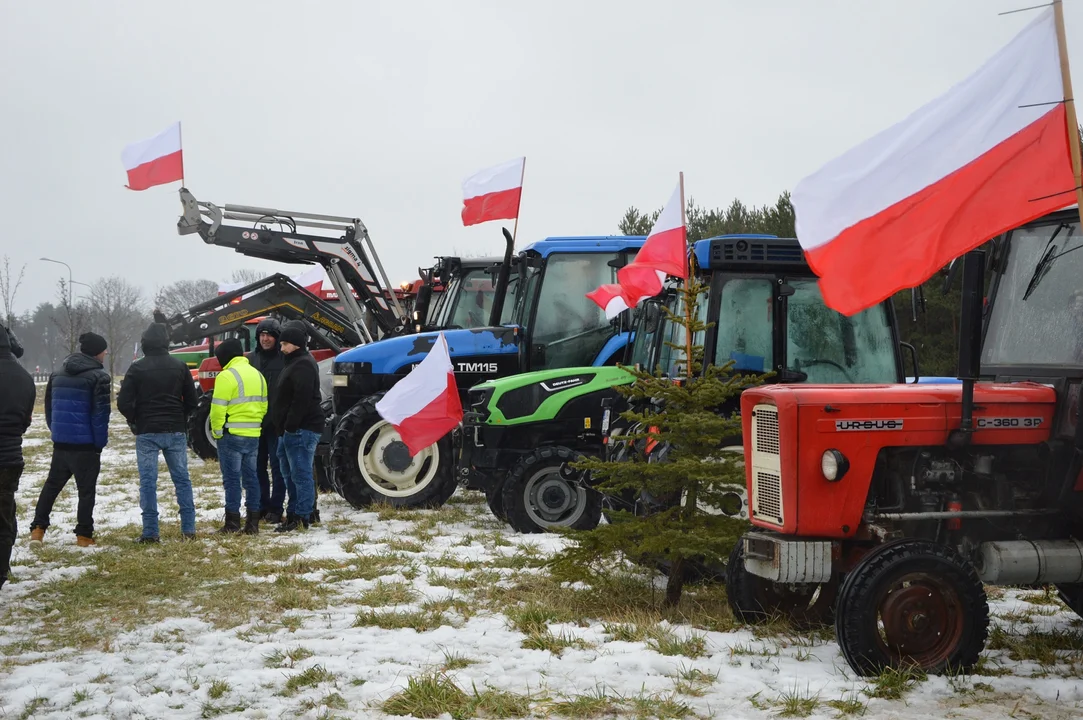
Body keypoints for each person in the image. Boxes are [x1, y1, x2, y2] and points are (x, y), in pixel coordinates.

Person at [117, 322, 200, 542]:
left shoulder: (137, 367)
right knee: (182, 479)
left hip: (147, 430)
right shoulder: (180, 366)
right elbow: (192, 401)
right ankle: (188, 529)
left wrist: (135, 419)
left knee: (148, 482)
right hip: (175, 429)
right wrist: (180, 418)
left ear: (144, 343)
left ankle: (151, 532)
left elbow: (123, 402)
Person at [29, 332, 111, 548]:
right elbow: (100, 415)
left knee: (51, 486)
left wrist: (56, 431)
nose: (106, 353)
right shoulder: (99, 377)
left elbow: (49, 407)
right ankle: (84, 534)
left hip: (61, 443)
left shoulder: (57, 374)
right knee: (86, 492)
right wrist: (99, 444)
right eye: (104, 350)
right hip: (85, 447)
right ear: (97, 353)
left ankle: (38, 529)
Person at [270, 322, 325, 532]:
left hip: (301, 429)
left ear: (297, 345)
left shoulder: (302, 364)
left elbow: (301, 399)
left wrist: (290, 426)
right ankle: (294, 512)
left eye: (285, 344)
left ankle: (302, 516)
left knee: (300, 474)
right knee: (289, 474)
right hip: (289, 430)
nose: (281, 348)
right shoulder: (293, 363)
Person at [208, 338, 267, 534]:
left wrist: (217, 432)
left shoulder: (226, 376)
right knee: (252, 479)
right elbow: (264, 405)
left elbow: (217, 410)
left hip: (231, 435)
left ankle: (232, 523)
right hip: (253, 435)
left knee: (232, 480)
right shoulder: (258, 375)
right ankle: (253, 523)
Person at [0, 324, 35, 588]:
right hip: (11, 457)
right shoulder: (24, 377)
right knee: (5, 514)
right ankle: (2, 569)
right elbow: (26, 420)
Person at [246, 318, 286, 524]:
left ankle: (276, 508)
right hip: (255, 423)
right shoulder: (251, 360)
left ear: (277, 337)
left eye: (269, 334)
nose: (265, 339)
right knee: (256, 467)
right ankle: (261, 505)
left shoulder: (284, 359)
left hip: (277, 423)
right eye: (262, 335)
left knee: (278, 467)